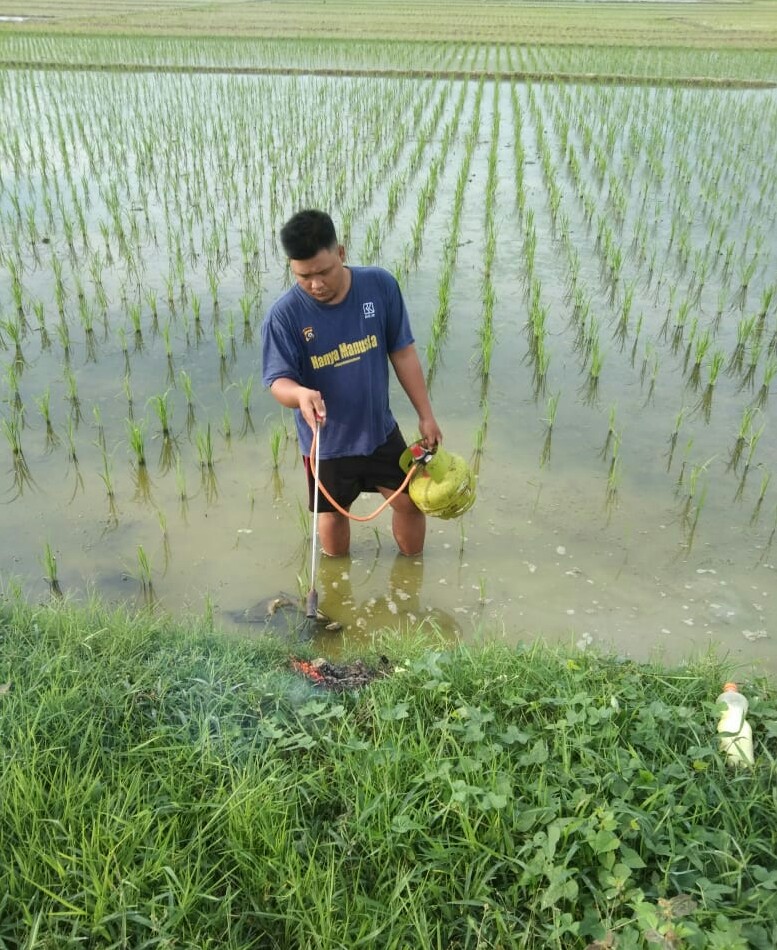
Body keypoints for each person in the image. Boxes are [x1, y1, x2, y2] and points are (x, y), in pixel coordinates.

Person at [261, 209, 443, 557]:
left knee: (409, 503)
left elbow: (403, 353)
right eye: (304, 276)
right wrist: (299, 393)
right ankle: (336, 582)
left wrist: (425, 414)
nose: (316, 284)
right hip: (326, 441)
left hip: (379, 431)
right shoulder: (284, 316)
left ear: (341, 253)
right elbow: (277, 381)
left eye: (323, 271)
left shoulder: (380, 286)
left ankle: (411, 575)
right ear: (292, 268)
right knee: (331, 514)